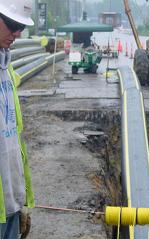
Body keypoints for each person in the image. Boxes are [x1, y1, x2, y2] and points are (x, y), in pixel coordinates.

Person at [0, 1, 35, 238]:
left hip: (9, 197)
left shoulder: (7, 68)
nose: (17, 33)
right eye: (12, 24)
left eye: (21, 27)